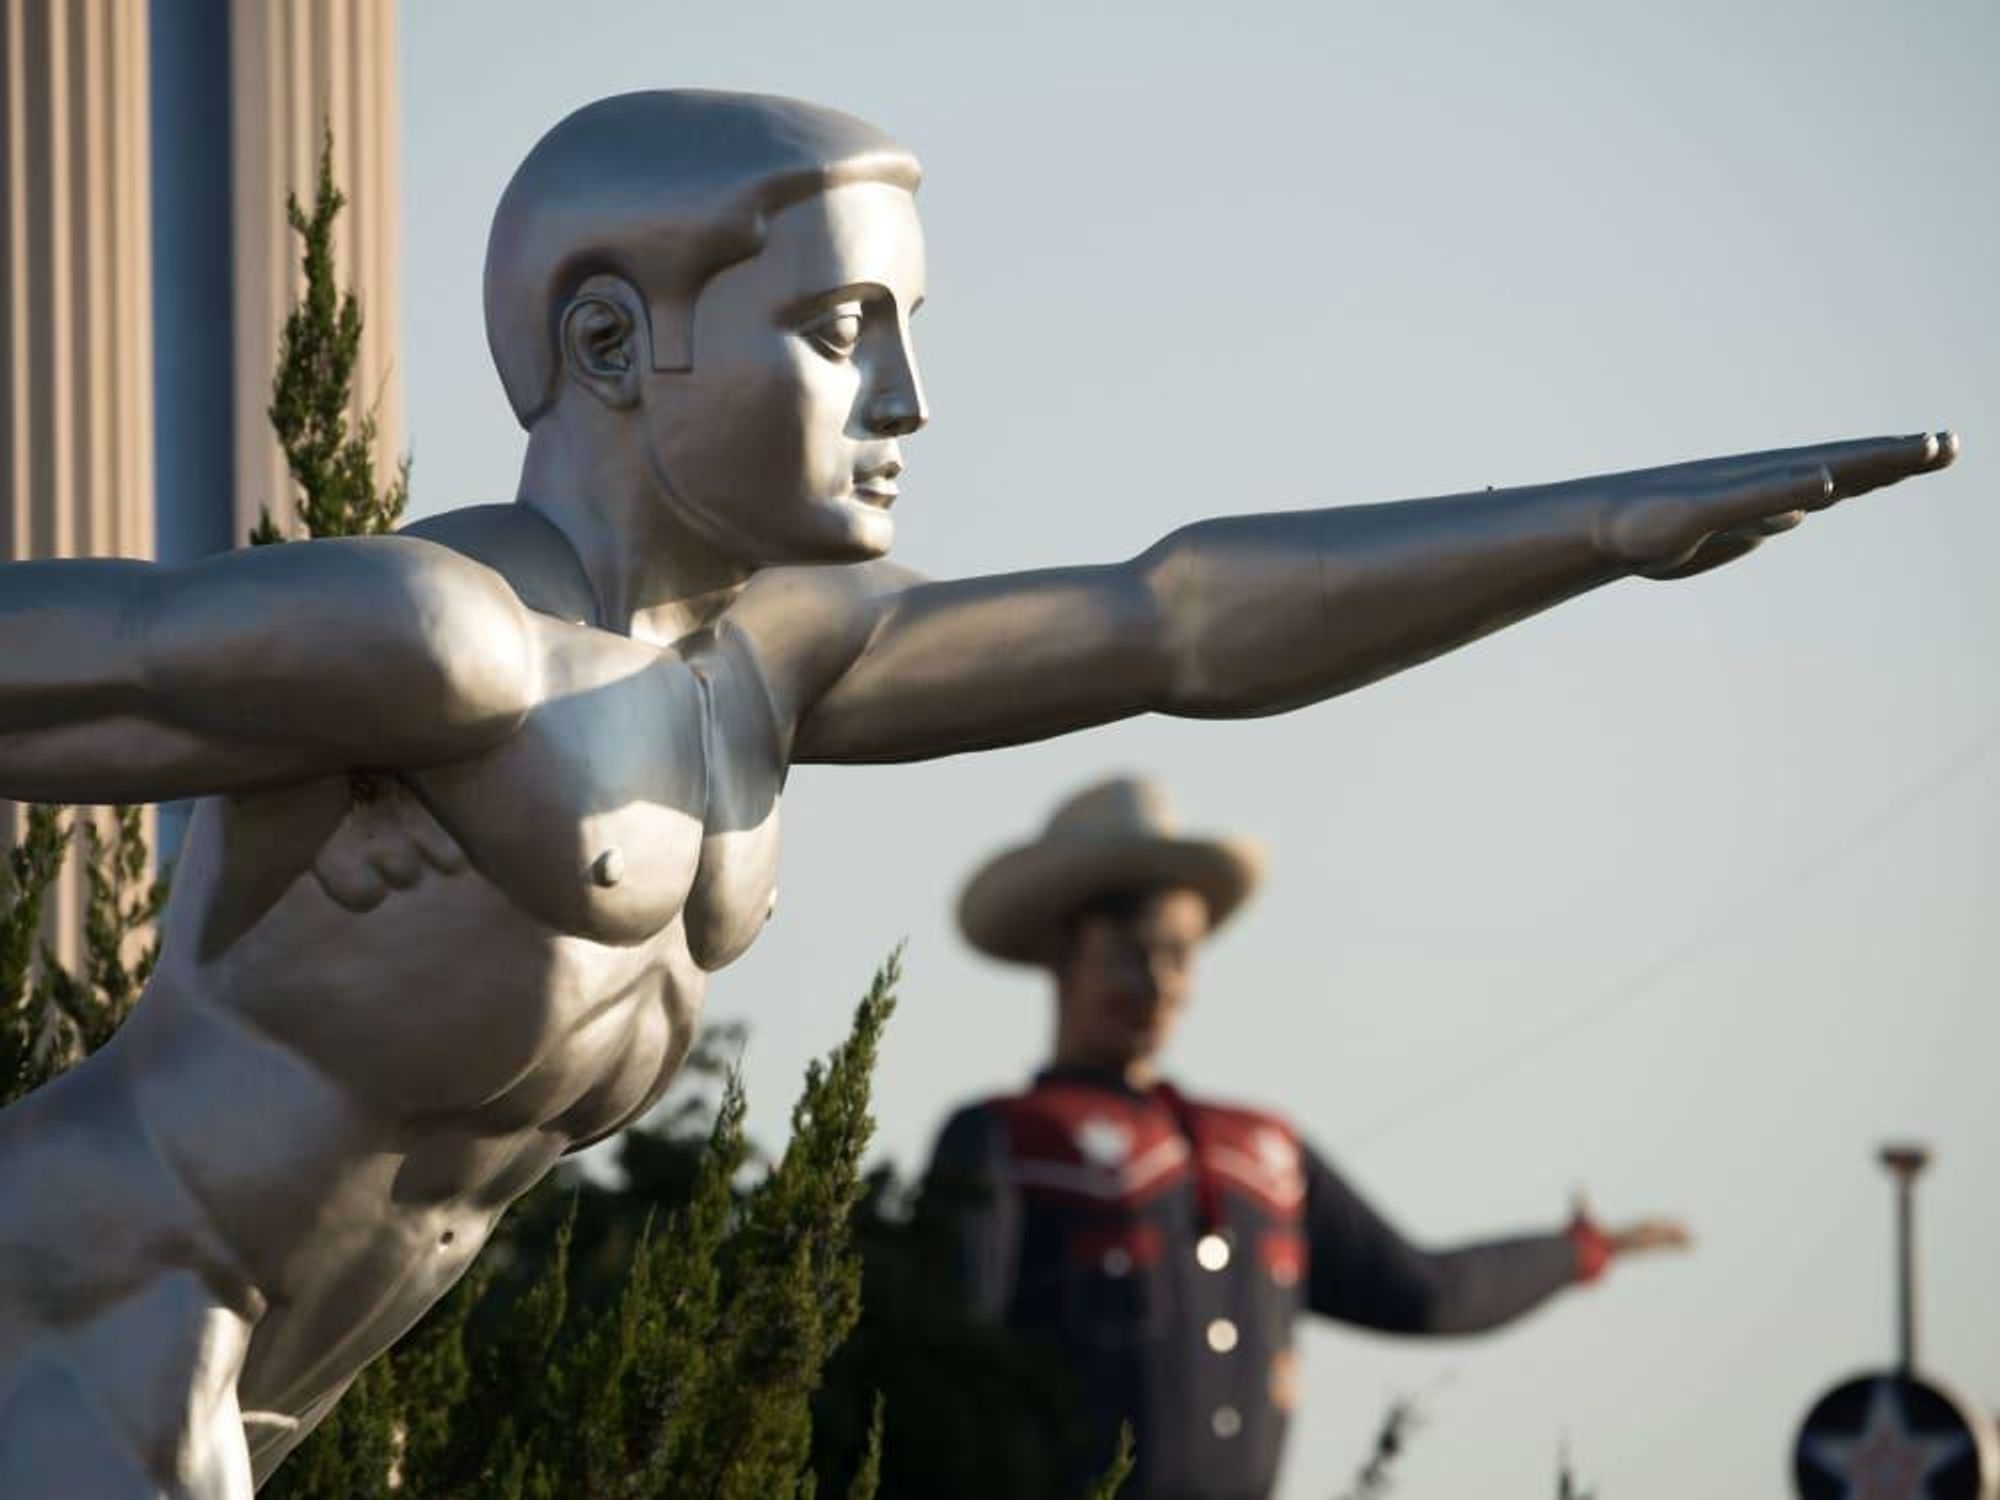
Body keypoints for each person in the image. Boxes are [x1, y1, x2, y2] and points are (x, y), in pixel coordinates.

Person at [0, 85, 1952, 1495]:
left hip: (271, 1390)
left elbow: (1177, 621)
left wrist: (1597, 531)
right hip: (83, 1320)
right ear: (610, 342)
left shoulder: (770, 669)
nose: (908, 401)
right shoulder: (438, 643)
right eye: (843, 333)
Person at [928, 776, 1691, 1500]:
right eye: (1130, 949)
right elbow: (940, 1364)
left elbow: (1425, 1292)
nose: (1158, 982)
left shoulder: (1265, 1153)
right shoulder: (1009, 1140)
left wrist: (1580, 1251)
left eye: (1180, 953)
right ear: (1064, 952)